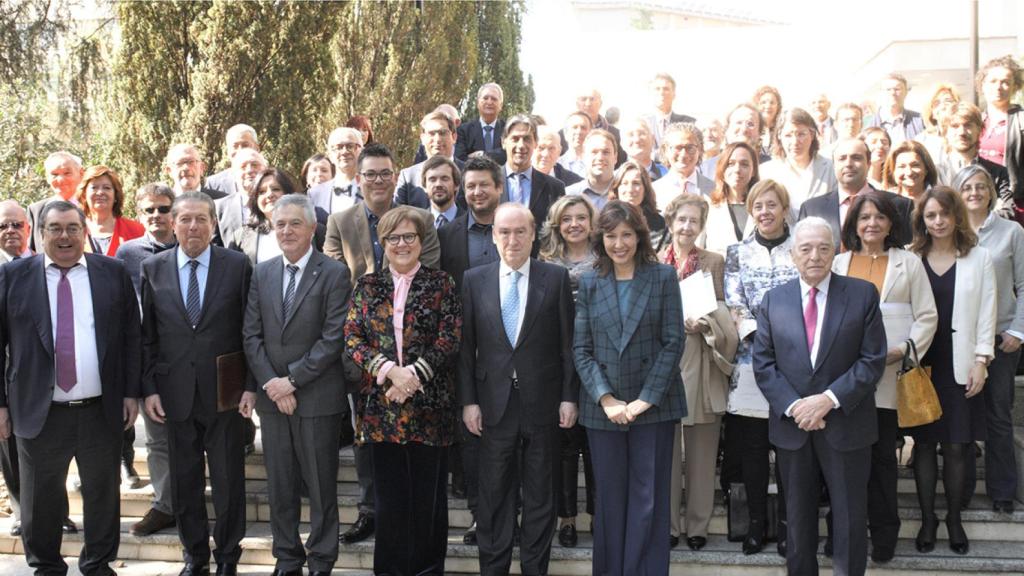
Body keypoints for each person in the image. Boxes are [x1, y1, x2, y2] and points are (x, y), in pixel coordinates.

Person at [0, 200, 141, 576]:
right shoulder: (14, 276)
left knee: (101, 497)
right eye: (55, 229)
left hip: (100, 409)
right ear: (40, 233)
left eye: (72, 228)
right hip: (37, 411)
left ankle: (97, 565)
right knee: (40, 501)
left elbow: (131, 337)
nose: (65, 236)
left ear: (85, 232)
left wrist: (130, 392)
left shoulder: (113, 272)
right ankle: (46, 566)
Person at [752, 216, 886, 576]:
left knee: (850, 519)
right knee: (796, 522)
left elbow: (872, 361)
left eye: (823, 248)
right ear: (793, 254)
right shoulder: (773, 300)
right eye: (806, 249)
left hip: (846, 424)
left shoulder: (862, 295)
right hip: (793, 429)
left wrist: (828, 399)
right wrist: (797, 407)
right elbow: (764, 365)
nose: (815, 256)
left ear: (836, 252)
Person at [323, 143, 440, 544]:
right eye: (369, 173)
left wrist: (403, 366)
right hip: (365, 355)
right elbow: (338, 286)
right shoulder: (339, 223)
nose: (377, 180)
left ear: (396, 177)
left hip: (415, 359)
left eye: (384, 173)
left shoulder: (422, 220)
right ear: (358, 179)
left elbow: (430, 281)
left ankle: (408, 509)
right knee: (366, 437)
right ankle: (371, 509)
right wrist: (377, 358)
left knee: (414, 437)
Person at [141, 192, 256, 576]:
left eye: (201, 219)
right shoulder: (152, 268)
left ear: (213, 224)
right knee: (185, 482)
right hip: (174, 394)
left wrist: (251, 386)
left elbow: (250, 331)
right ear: (172, 224)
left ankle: (227, 557)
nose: (193, 226)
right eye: (185, 219)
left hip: (226, 394)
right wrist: (149, 388)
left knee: (228, 482)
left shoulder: (237, 265)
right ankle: (194, 557)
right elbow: (148, 336)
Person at [459, 202, 576, 576]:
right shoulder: (474, 279)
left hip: (543, 404)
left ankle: (533, 569)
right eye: (504, 232)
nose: (512, 239)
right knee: (494, 497)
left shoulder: (554, 279)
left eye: (520, 231)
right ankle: (493, 569)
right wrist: (468, 402)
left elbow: (567, 346)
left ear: (533, 234)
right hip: (493, 407)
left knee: (541, 497)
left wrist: (569, 396)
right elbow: (465, 349)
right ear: (493, 236)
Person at [343, 205, 461, 575]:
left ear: (421, 241)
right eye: (393, 237)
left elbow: (449, 338)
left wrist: (412, 377)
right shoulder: (367, 286)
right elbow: (352, 337)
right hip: (382, 411)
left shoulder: (441, 283)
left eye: (409, 236)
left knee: (427, 503)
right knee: (391, 504)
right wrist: (390, 371)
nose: (402, 244)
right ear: (383, 243)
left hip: (429, 410)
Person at [573, 200, 685, 575]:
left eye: (626, 235)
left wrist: (642, 402)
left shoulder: (663, 276)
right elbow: (582, 348)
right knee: (609, 500)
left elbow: (673, 343)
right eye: (610, 235)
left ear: (639, 236)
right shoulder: (589, 280)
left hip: (654, 407)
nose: (618, 243)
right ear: (600, 238)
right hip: (603, 409)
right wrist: (606, 399)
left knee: (649, 499)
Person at [242, 194, 352, 576]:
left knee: (321, 486)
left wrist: (292, 381)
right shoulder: (262, 272)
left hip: (317, 397)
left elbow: (333, 338)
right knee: (281, 485)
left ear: (313, 228)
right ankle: (287, 557)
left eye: (294, 223)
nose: (286, 231)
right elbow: (250, 336)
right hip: (273, 399)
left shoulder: (335, 273)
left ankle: (321, 559)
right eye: (280, 224)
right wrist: (272, 384)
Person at [831, 192, 938, 562]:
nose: (871, 224)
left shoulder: (908, 262)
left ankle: (884, 535)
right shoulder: (839, 263)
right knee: (844, 463)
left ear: (891, 223)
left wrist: (904, 349)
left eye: (879, 217)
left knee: (882, 460)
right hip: (846, 382)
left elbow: (927, 316)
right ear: (853, 225)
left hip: (890, 377)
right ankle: (842, 534)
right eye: (864, 218)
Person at [906, 186, 995, 556]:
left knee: (958, 446)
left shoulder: (979, 257)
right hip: (922, 364)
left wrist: (981, 360)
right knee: (924, 446)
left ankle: (954, 518)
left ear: (957, 216)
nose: (938, 221)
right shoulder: (911, 258)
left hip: (961, 365)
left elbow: (988, 312)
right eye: (931, 215)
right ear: (922, 221)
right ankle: (928, 519)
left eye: (945, 213)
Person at [723, 179, 799, 556]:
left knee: (788, 448)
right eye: (758, 206)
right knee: (752, 449)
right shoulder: (737, 252)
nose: (765, 212)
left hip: (797, 363)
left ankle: (787, 527)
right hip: (751, 359)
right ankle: (756, 524)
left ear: (784, 208)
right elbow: (734, 300)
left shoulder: (801, 246)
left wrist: (786, 342)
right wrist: (758, 335)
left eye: (772, 204)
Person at [659, 194, 738, 551]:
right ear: (671, 222)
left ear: (701, 225)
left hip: (703, 359)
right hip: (665, 362)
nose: (687, 226)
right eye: (682, 220)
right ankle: (670, 526)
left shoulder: (714, 262)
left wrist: (704, 323)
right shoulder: (655, 260)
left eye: (694, 221)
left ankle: (697, 527)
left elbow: (725, 316)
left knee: (703, 452)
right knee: (667, 453)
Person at [0, 200, 79, 539]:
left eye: (17, 225)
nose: (10, 232)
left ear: (30, 230)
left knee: (49, 456)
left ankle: (57, 512)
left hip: (40, 377)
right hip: (8, 381)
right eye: (3, 226)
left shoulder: (43, 267)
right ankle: (22, 513)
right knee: (13, 453)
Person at [437, 156, 505, 545]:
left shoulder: (517, 228)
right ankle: (482, 517)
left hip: (514, 351)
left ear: (499, 188)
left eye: (484, 185)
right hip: (465, 352)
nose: (477, 192)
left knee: (511, 440)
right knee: (473, 441)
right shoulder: (448, 235)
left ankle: (512, 511)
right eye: (471, 186)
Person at [956, 165, 1024, 514]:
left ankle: (1002, 490)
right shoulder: (950, 232)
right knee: (964, 416)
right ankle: (962, 490)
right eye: (967, 186)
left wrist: (1018, 329)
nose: (974, 192)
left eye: (981, 186)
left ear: (991, 191)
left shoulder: (1011, 232)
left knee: (998, 413)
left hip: (1001, 338)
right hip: (961, 340)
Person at [114, 184, 180, 538]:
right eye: (150, 210)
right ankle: (165, 505)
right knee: (157, 440)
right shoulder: (127, 254)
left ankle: (191, 501)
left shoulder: (193, 244)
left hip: (190, 359)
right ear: (140, 215)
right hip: (147, 360)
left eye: (164, 208)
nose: (157, 215)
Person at [537, 195, 598, 548]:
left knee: (593, 446)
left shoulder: (605, 258)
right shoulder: (544, 260)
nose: (574, 224)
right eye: (567, 218)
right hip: (557, 360)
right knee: (563, 446)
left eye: (581, 217)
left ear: (591, 222)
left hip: (596, 357)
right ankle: (567, 518)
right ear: (557, 223)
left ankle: (597, 515)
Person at [799, 138, 914, 249]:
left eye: (856, 158)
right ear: (833, 166)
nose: (848, 164)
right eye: (842, 158)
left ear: (869, 164)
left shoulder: (900, 206)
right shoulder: (811, 209)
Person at [229, 168, 325, 264]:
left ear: (288, 193)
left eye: (276, 189)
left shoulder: (316, 231)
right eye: (262, 192)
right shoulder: (241, 237)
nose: (269, 195)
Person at [759, 108, 837, 218]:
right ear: (779, 136)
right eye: (788, 135)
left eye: (801, 134)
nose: (795, 142)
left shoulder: (831, 168)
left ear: (812, 135)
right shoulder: (767, 172)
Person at [938, 103, 1012, 217]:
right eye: (955, 126)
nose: (962, 132)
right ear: (945, 132)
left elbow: (1007, 212)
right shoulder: (935, 174)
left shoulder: (998, 173)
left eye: (968, 125)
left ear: (980, 130)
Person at [501, 114, 567, 238]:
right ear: (504, 142)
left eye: (527, 139)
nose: (521, 145)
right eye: (515, 139)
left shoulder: (555, 188)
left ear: (535, 143)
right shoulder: (489, 182)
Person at [976, 55, 1023, 219]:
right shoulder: (975, 121)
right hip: (978, 198)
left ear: (1014, 86)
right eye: (993, 81)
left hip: (1014, 202)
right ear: (983, 85)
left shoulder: (1021, 121)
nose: (999, 87)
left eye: (1005, 82)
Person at [395, 111, 465, 209]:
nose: (437, 139)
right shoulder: (408, 177)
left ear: (454, 137)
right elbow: (398, 216)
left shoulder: (468, 172)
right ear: (422, 138)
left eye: (443, 133)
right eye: (431, 133)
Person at [76, 165, 145, 257]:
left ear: (116, 195)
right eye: (94, 187)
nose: (100, 192)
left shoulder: (137, 230)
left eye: (107, 188)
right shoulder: (73, 231)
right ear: (84, 194)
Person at [704, 142, 760, 255]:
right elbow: (698, 252)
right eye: (730, 164)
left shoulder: (763, 207)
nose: (737, 170)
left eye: (744, 164)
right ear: (722, 169)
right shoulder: (708, 206)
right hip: (718, 271)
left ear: (753, 170)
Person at [28, 151, 84, 252]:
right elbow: (30, 252)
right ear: (47, 177)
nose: (61, 179)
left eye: (67, 173)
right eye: (54, 174)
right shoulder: (36, 211)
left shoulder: (91, 207)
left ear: (81, 173)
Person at [213, 148, 268, 247]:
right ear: (233, 174)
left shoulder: (278, 203)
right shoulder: (218, 208)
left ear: (266, 170)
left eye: (255, 165)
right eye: (243, 167)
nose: (250, 170)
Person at [652, 123, 714, 210]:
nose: (684, 154)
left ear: (700, 150)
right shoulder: (653, 191)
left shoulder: (714, 191)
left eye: (690, 147)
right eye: (677, 148)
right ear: (665, 150)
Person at [609, 159, 667, 249]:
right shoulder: (607, 222)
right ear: (617, 189)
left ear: (645, 189)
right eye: (624, 183)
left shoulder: (659, 224)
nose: (630, 189)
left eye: (636, 183)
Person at [642, 73, 697, 154]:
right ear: (651, 94)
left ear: (674, 94)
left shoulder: (688, 123)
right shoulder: (643, 124)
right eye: (657, 89)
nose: (661, 92)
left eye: (666, 89)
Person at [566, 129, 619, 212]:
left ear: (615, 157)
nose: (600, 157)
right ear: (583, 157)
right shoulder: (569, 195)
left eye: (606, 152)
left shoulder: (626, 192)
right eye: (594, 152)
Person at [868, 73, 926, 144]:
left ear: (906, 92)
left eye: (897, 89)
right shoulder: (869, 123)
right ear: (881, 93)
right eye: (888, 89)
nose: (893, 93)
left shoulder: (920, 121)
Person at [204, 124, 261, 196]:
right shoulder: (213, 184)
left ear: (257, 148)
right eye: (235, 146)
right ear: (228, 151)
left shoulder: (272, 180)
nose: (240, 150)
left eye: (245, 145)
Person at [315, 127, 363, 212]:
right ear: (330, 155)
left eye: (350, 146)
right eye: (338, 147)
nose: (344, 152)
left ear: (361, 151)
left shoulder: (373, 190)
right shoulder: (315, 194)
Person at [456, 83, 506, 161]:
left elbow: (507, 154)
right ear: (478, 103)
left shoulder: (507, 129)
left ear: (501, 105)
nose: (489, 102)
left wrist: (482, 154)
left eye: (494, 99)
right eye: (485, 98)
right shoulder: (464, 130)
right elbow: (460, 159)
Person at [916, 84, 960, 162]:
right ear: (932, 113)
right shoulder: (922, 140)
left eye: (948, 101)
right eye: (937, 103)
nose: (943, 106)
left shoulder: (964, 134)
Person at [422, 155, 465, 228]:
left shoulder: (469, 222)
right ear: (424, 187)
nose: (438, 184)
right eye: (432, 179)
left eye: (444, 179)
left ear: (456, 185)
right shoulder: (417, 224)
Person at [558, 111, 593, 178]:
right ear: (565, 133)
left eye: (583, 128)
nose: (579, 132)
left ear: (591, 133)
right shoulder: (555, 165)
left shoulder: (598, 164)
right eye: (574, 127)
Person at [753, 85, 783, 157]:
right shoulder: (752, 130)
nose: (768, 106)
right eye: (763, 102)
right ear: (757, 105)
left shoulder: (782, 130)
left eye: (772, 103)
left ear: (778, 106)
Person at [862, 126, 892, 190]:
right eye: (873, 142)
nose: (880, 145)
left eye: (884, 142)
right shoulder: (856, 182)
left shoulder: (895, 180)